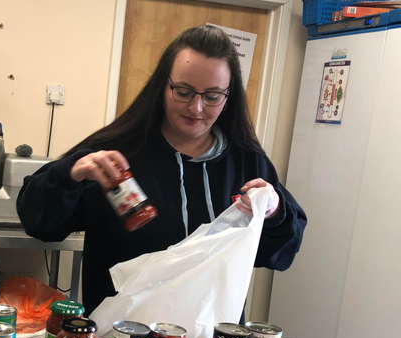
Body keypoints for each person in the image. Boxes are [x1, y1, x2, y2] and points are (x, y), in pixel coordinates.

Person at [16, 25, 307, 315]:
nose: (196, 108)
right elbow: (39, 225)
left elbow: (279, 255)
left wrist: (275, 211)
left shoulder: (246, 162)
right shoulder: (115, 154)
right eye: (183, 91)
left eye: (212, 96)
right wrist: (70, 175)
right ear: (162, 86)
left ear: (228, 97)